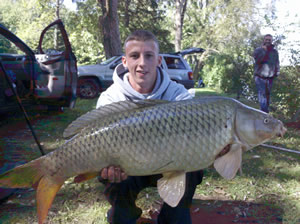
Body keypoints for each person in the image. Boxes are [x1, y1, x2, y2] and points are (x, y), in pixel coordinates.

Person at [96, 30, 204, 224]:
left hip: (168, 164)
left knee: (193, 168)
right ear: (124, 61)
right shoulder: (110, 98)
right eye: (134, 56)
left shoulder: (178, 95)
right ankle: (125, 213)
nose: (142, 63)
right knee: (108, 174)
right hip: (127, 166)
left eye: (149, 56)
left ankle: (173, 216)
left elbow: (195, 137)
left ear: (159, 60)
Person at [253, 34, 280, 113]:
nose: (268, 41)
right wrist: (264, 51)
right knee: (262, 95)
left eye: (269, 40)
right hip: (260, 77)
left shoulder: (274, 52)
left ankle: (265, 112)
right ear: (264, 40)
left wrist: (277, 72)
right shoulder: (258, 50)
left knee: (267, 96)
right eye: (266, 39)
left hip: (270, 78)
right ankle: (264, 113)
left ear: (271, 41)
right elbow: (258, 61)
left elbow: (277, 63)